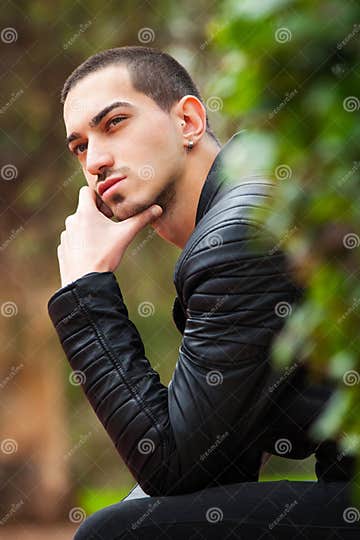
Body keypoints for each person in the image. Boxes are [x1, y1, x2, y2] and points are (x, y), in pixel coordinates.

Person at [47, 46, 359, 538]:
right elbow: (212, 461)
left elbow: (170, 465)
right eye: (80, 146)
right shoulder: (255, 199)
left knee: (116, 534)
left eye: (114, 123)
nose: (97, 161)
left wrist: (86, 290)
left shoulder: (238, 236)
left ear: (189, 121)